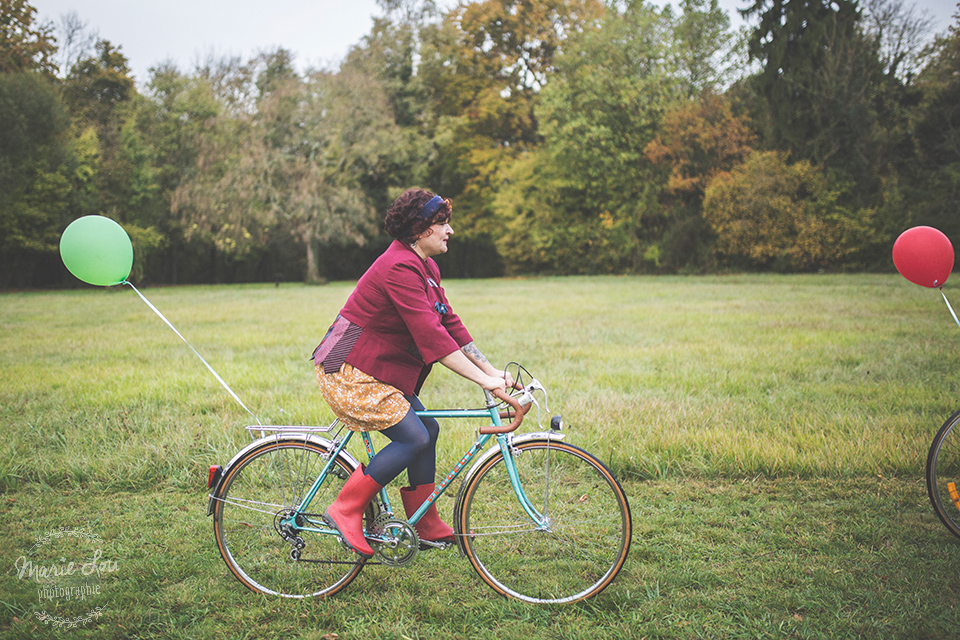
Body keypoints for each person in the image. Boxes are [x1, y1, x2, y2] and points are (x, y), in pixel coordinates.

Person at [312, 187, 510, 558]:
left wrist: (491, 369)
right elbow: (431, 335)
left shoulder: (426, 266)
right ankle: (345, 508)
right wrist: (484, 381)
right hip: (348, 370)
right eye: (441, 223)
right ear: (420, 230)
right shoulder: (398, 267)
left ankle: (425, 522)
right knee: (413, 438)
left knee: (427, 428)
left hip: (375, 370)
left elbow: (449, 322)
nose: (449, 230)